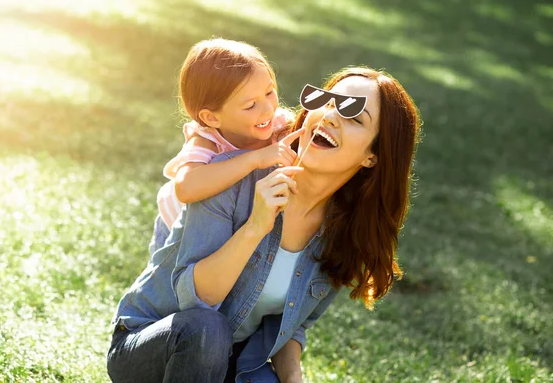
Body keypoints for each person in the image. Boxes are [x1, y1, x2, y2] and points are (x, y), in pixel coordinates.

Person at [107, 66, 422, 383]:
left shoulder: (342, 235)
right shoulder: (232, 176)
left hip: (235, 361)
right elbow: (195, 301)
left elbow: (292, 323)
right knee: (207, 329)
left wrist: (293, 377)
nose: (329, 117)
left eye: (354, 117)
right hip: (152, 342)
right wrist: (256, 226)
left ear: (373, 156)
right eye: (327, 102)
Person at [153, 38, 300, 250]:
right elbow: (186, 188)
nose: (268, 109)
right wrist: (255, 159)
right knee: (167, 283)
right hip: (178, 230)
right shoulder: (208, 138)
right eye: (250, 105)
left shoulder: (280, 125)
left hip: (227, 226)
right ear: (212, 118)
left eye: (269, 92)